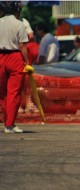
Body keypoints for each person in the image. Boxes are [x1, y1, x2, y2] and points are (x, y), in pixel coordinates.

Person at [0, 1, 33, 133]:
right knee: (14, 93)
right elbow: (22, 46)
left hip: (0, 58)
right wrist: (27, 62)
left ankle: (7, 122)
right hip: (15, 58)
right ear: (17, 11)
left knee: (3, 94)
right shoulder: (20, 24)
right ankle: (10, 124)